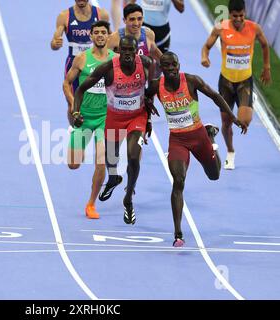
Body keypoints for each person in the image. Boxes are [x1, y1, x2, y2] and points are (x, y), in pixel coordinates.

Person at [145, 52, 248, 247]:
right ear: (162, 67)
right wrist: (148, 116)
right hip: (177, 140)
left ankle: (210, 136)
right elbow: (145, 99)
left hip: (199, 137)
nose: (171, 68)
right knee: (178, 180)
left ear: (178, 64)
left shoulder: (191, 81)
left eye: (174, 64)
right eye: (167, 65)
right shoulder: (156, 85)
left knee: (214, 175)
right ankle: (178, 233)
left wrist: (232, 118)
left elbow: (215, 96)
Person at [72, 35, 153, 225]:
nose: (126, 54)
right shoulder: (108, 68)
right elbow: (81, 90)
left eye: (130, 50)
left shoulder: (146, 64)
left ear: (136, 52)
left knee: (134, 156)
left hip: (136, 118)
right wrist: (76, 111)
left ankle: (128, 199)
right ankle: (113, 178)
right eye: (123, 50)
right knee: (111, 158)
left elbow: (153, 89)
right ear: (118, 51)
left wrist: (148, 116)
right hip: (115, 118)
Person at [201, 0, 271, 170]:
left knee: (244, 121)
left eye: (241, 15)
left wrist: (267, 67)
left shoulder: (254, 28)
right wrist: (205, 57)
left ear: (245, 13)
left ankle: (247, 102)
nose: (239, 19)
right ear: (230, 14)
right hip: (226, 81)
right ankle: (230, 151)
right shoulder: (221, 27)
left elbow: (264, 45)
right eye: (235, 16)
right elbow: (207, 45)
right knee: (226, 123)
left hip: (244, 81)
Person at [63, 21, 115, 219]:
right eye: (97, 33)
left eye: (104, 32)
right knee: (73, 164)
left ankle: (91, 204)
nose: (100, 35)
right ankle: (79, 143)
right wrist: (72, 106)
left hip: (105, 118)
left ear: (109, 36)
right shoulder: (82, 59)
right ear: (91, 36)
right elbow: (67, 83)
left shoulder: (116, 60)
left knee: (101, 162)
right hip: (83, 118)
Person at [51, 0, 109, 97]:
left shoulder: (102, 14)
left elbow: (110, 38)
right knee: (72, 103)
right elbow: (54, 44)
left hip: (96, 62)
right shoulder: (64, 16)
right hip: (74, 63)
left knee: (98, 97)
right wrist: (55, 44)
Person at [111, 0, 184, 53]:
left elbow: (181, 8)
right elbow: (131, 4)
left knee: (160, 67)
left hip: (162, 35)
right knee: (140, 64)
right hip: (142, 32)